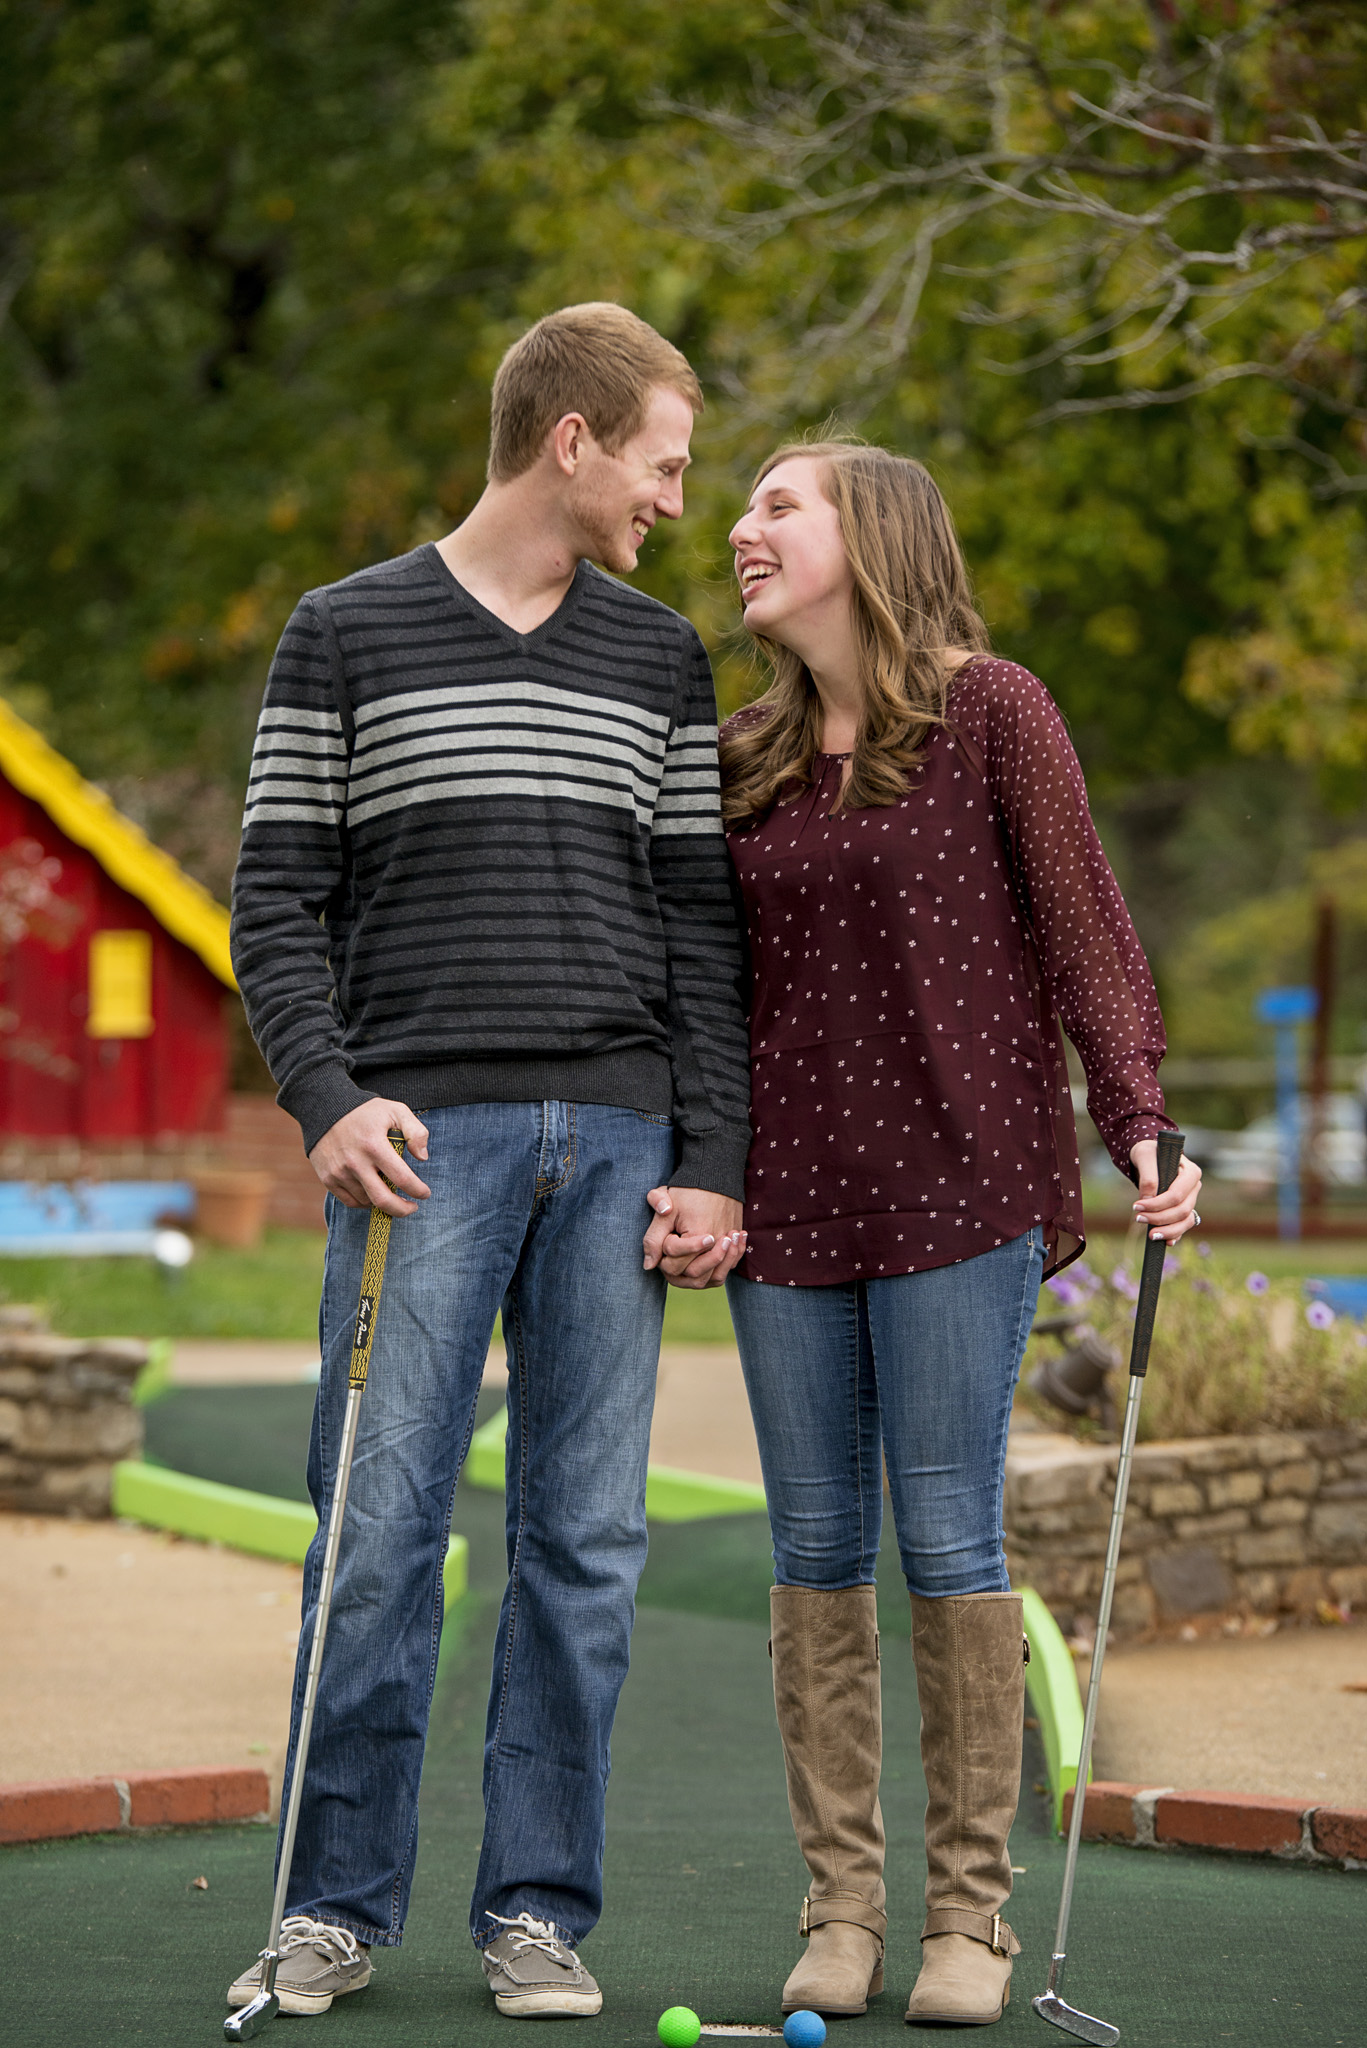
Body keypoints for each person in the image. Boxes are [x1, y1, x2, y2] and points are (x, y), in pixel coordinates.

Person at [226, 303, 751, 2023]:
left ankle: (535, 1909)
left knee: (584, 1546)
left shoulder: (659, 660)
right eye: (665, 461)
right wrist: (326, 1097)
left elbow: (697, 932)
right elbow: (277, 901)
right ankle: (331, 1908)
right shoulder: (341, 634)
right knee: (376, 1535)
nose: (680, 498)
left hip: (618, 1151)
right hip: (417, 1156)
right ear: (576, 439)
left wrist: (712, 1159)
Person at [716, 441, 1201, 2028]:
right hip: (790, 1202)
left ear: (875, 534)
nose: (741, 528)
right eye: (743, 505)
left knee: (948, 1538)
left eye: (780, 505)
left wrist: (1136, 1116)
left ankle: (970, 1925)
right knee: (808, 1554)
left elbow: (1085, 927)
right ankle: (842, 1910)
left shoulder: (995, 710)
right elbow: (713, 994)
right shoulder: (746, 756)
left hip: (961, 1187)